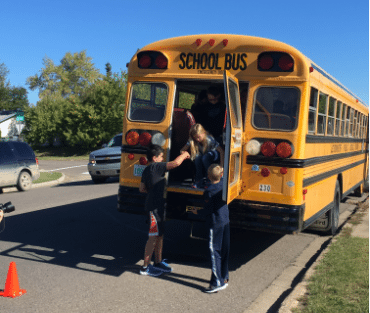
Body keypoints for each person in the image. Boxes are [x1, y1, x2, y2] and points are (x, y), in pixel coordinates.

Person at [139, 145, 190, 277]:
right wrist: (184, 155)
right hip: (154, 209)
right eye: (161, 156)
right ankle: (145, 267)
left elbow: (141, 189)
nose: (163, 158)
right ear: (155, 158)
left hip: (156, 206)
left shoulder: (146, 170)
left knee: (160, 235)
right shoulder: (156, 166)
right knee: (152, 237)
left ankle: (158, 262)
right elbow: (175, 163)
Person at [203, 164, 230, 293]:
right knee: (224, 250)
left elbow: (207, 210)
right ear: (221, 175)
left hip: (215, 223)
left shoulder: (209, 191)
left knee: (214, 252)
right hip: (225, 221)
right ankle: (224, 276)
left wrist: (196, 211)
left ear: (208, 176)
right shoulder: (224, 186)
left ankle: (217, 282)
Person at [180, 124, 224, 189]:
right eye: (195, 138)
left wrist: (221, 165)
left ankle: (209, 180)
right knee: (197, 158)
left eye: (199, 137)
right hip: (203, 156)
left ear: (203, 133)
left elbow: (221, 151)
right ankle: (198, 180)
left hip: (214, 155)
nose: (197, 139)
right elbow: (182, 150)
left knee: (205, 158)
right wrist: (186, 155)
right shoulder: (192, 140)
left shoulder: (209, 140)